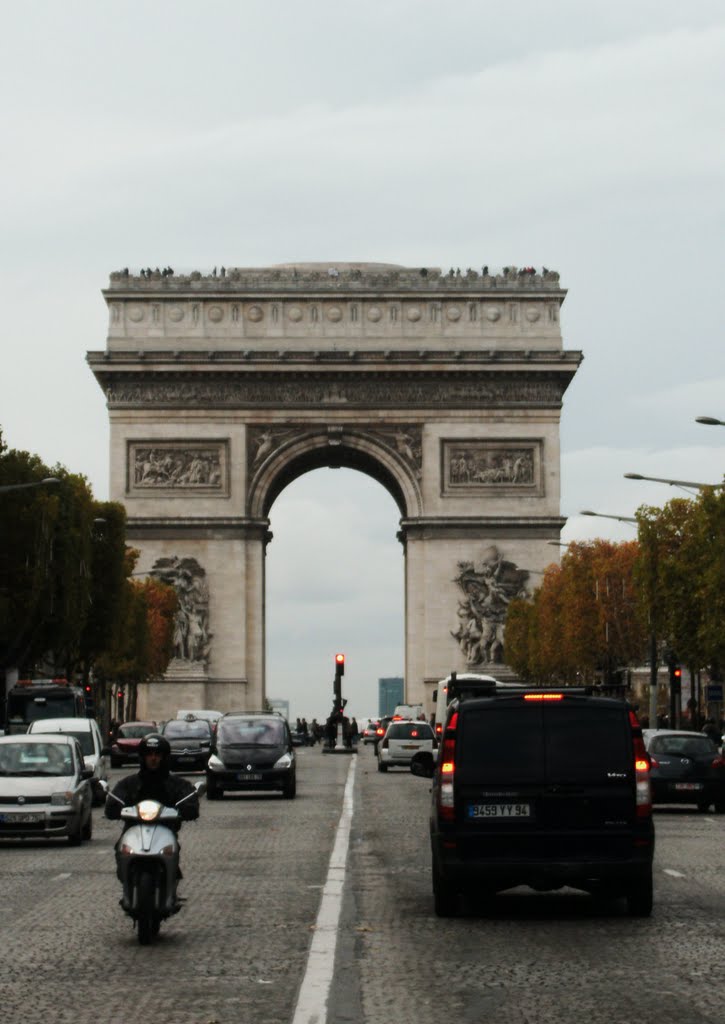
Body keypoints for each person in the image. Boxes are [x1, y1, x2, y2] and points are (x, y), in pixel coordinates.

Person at [105, 734, 200, 876]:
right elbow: (115, 799)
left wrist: (188, 806)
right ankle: (126, 882)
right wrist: (114, 805)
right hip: (134, 831)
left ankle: (171, 879)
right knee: (121, 849)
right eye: (149, 754)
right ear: (143, 757)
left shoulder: (176, 784)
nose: (153, 758)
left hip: (165, 830)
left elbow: (189, 797)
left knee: (172, 852)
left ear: (164, 757)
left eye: (157, 754)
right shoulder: (130, 783)